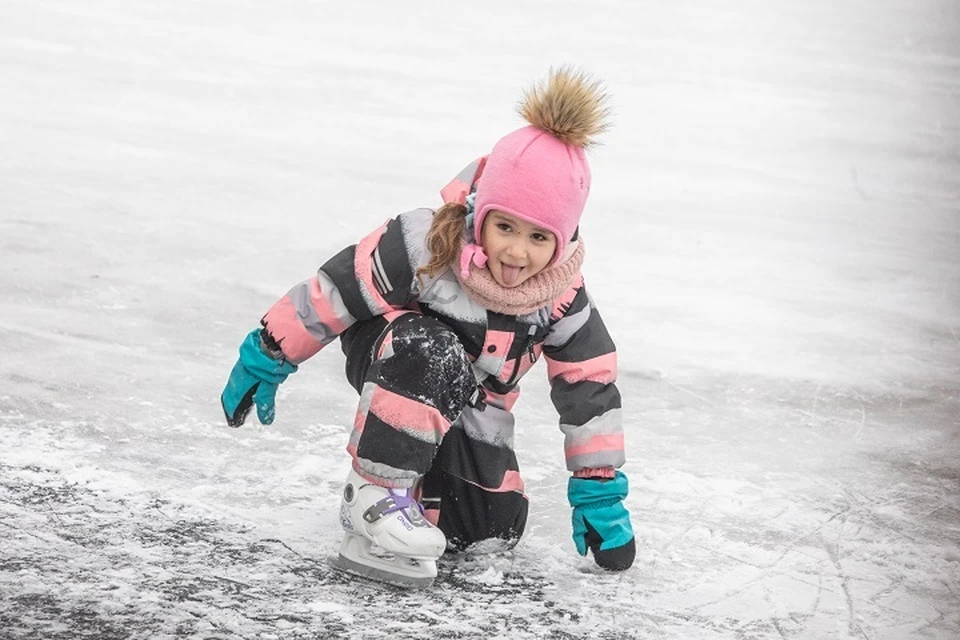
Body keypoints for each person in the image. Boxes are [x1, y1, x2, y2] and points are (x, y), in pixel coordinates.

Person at [221, 67, 636, 587]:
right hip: (398, 356)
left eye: (538, 237)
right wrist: (271, 351)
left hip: (472, 404)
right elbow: (334, 290)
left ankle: (415, 494)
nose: (515, 251)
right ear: (480, 212)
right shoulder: (424, 243)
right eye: (504, 226)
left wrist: (598, 488)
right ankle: (372, 495)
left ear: (562, 241)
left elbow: (590, 388)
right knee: (433, 348)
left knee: (489, 531)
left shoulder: (563, 298)